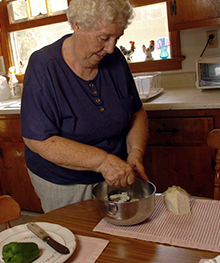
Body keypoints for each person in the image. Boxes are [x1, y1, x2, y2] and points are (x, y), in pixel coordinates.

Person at [20, 0, 149, 213]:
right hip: (64, 183)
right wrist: (102, 162)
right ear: (78, 25)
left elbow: (136, 112)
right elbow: (38, 140)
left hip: (115, 175)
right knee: (75, 241)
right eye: (104, 38)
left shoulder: (115, 59)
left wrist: (135, 152)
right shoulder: (44, 67)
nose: (110, 48)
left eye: (117, 38)